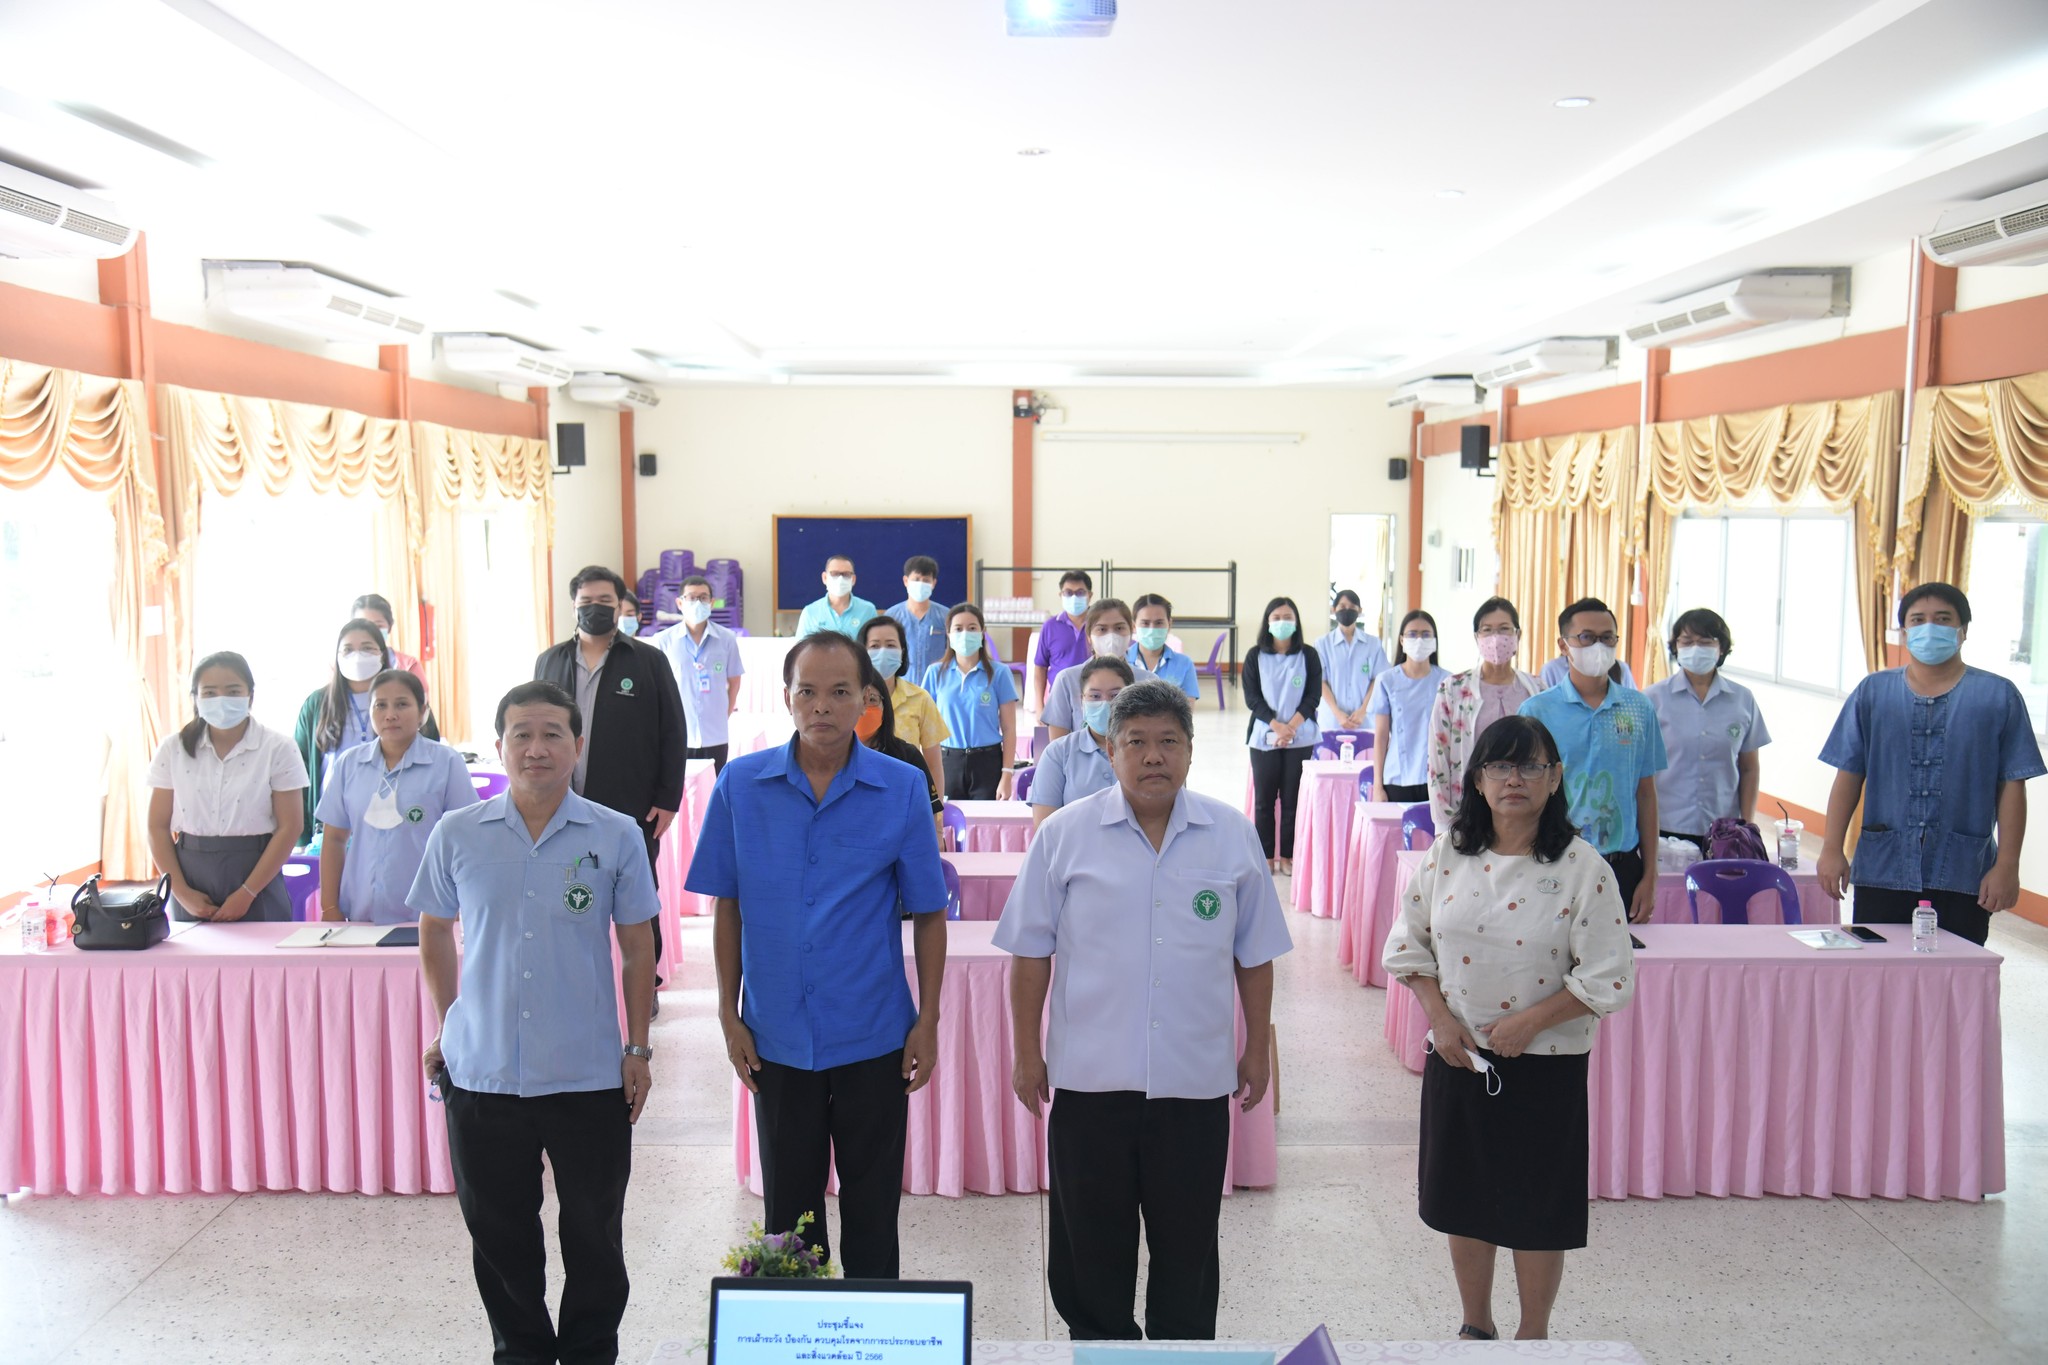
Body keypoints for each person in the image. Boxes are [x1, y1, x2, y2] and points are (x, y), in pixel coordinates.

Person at [997, 679, 1291, 1341]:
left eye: (1168, 742)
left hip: (1193, 1080)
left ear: (1190, 750)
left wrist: (1255, 1048)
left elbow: (1256, 955)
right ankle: (1100, 1349)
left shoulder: (1231, 835)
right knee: (1089, 1249)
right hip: (1089, 1080)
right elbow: (1029, 952)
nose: (1153, 756)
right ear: (1109, 747)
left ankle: (1180, 1353)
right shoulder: (1065, 835)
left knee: (1187, 1247)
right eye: (1137, 742)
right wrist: (1025, 1050)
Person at [687, 631, 950, 1277]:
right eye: (808, 691)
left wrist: (929, 1018)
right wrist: (727, 1010)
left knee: (872, 1208)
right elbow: (728, 905)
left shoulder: (902, 785)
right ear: (786, 698)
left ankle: (872, 1335)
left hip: (874, 1032)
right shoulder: (742, 785)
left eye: (839, 692)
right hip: (776, 1033)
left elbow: (930, 911)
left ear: (867, 698)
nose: (822, 706)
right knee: (789, 1217)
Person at [410, 680, 658, 1365]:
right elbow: (434, 930)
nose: (537, 747)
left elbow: (639, 947)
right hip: (482, 1072)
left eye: (553, 733)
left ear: (578, 745)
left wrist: (638, 1046)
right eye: (522, 733)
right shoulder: (458, 832)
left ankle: (586, 1353)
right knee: (500, 1239)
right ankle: (519, 1353)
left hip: (586, 1073)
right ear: (499, 747)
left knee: (595, 1237)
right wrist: (448, 1020)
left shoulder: (615, 833)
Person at [1383, 715, 1635, 1344]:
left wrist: (1531, 1022)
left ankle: (1533, 1337)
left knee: (1536, 1206)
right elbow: (1409, 948)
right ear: (1477, 780)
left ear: (1555, 778)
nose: (1513, 779)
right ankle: (1475, 1324)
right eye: (1499, 765)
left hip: (1545, 1065)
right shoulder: (1447, 855)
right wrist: (1439, 1019)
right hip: (1459, 1055)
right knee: (1462, 1197)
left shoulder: (1584, 868)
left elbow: (1608, 974)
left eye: (1530, 766)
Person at [1817, 582, 2042, 945]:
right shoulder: (1873, 693)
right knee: (1880, 973)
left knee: (1955, 977)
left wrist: (2008, 866)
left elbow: (2012, 785)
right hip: (1883, 867)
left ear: (1963, 631)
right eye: (1918, 620)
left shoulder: (1998, 696)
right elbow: (1849, 774)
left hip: (1964, 869)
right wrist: (1831, 848)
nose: (1929, 628)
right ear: (1905, 632)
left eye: (1942, 619)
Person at [536, 565, 689, 991]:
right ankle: (571, 979)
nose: (595, 609)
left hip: (631, 803)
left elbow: (673, 731)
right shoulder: (550, 660)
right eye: (586, 602)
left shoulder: (647, 660)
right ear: (574, 606)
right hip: (559, 804)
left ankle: (644, 985)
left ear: (619, 606)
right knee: (566, 890)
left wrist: (667, 798)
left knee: (637, 897)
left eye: (604, 602)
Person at [1518, 598, 1667, 923]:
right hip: (1552, 860)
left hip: (1620, 864)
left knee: (1618, 964)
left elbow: (1646, 793)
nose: (1598, 646)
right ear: (1564, 645)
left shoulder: (1638, 708)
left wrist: (1650, 874)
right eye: (1586, 637)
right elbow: (1521, 795)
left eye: (1607, 637)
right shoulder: (1537, 711)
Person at [147, 651, 309, 922]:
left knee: (263, 962)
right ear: (196, 698)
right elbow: (156, 826)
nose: (221, 700)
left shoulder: (279, 748)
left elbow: (291, 826)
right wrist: (181, 892)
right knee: (192, 963)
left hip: (258, 872)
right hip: (189, 873)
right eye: (209, 693)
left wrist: (247, 892)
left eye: (233, 691)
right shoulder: (172, 748)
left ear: (250, 695)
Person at [314, 670, 479, 923]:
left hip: (428, 918)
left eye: (402, 704)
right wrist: (329, 908)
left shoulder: (446, 763)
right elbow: (334, 839)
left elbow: (466, 840)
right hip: (360, 915)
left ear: (423, 711)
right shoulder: (350, 764)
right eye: (380, 705)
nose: (390, 715)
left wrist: (459, 909)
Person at [295, 618, 441, 847]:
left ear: (382, 655)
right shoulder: (317, 704)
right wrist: (301, 838)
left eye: (367, 648)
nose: (357, 655)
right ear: (337, 657)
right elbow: (299, 771)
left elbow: (434, 758)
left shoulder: (411, 698)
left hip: (401, 825)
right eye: (348, 649)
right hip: (330, 828)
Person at [1646, 608, 1770, 850]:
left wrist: (1747, 822)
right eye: (1687, 641)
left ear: (1721, 648)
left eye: (1705, 642)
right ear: (1676, 647)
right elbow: (1641, 769)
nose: (1695, 648)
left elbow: (1749, 767)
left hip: (1725, 827)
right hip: (1665, 824)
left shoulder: (1742, 699)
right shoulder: (1653, 698)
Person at [1426, 597, 1543, 831]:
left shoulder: (1537, 689)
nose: (1496, 638)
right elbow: (1438, 758)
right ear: (1477, 638)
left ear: (1517, 636)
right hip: (1469, 809)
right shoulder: (1454, 689)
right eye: (1487, 630)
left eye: (1504, 629)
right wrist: (1444, 823)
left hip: (1524, 812)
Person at [1242, 596, 1323, 875]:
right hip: (1264, 736)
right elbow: (1252, 698)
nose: (1282, 623)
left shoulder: (1309, 655)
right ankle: (1265, 855)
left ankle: (1288, 855)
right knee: (1264, 801)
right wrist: (1278, 726)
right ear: (1267, 622)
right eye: (1276, 618)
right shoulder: (1255, 656)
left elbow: (1313, 696)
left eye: (1287, 617)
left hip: (1301, 737)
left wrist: (1293, 727)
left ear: (1296, 622)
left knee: (1292, 799)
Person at [920, 602, 1020, 800]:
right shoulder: (934, 673)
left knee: (985, 826)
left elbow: (1009, 728)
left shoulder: (999, 673)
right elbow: (923, 725)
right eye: (958, 628)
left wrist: (1006, 775)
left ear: (982, 632)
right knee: (946, 824)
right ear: (948, 634)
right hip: (946, 761)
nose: (965, 633)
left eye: (972, 628)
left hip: (987, 762)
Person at [657, 575, 745, 771]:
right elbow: (657, 688)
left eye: (703, 597)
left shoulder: (727, 639)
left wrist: (725, 713)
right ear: (679, 603)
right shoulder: (663, 641)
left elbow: (735, 681)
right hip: (679, 732)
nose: (697, 602)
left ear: (712, 603)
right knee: (679, 791)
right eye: (691, 597)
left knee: (715, 787)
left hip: (716, 732)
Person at [1030, 656, 1131, 828]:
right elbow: (1045, 829)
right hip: (1073, 853)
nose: (1105, 703)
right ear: (1082, 700)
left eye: (1115, 695)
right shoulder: (1058, 753)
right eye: (1095, 696)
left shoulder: (1148, 751)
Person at [1369, 610, 1452, 806]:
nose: (1419, 640)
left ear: (1434, 641)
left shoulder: (1447, 681)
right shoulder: (1386, 680)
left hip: (1437, 777)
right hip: (1397, 777)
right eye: (1412, 634)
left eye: (1426, 634)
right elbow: (1381, 737)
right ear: (1401, 640)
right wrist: (1378, 786)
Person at [1043, 599, 1155, 741]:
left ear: (1131, 631)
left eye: (1119, 628)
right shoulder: (1067, 680)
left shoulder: (1148, 682)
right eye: (1102, 629)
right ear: (1089, 636)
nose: (1111, 637)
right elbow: (1057, 746)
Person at [859, 615, 947, 794]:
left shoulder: (920, 698)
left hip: (905, 795)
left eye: (891, 645)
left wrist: (935, 814)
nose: (883, 651)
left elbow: (933, 765)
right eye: (875, 646)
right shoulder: (848, 698)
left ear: (903, 651)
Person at [859, 668, 946, 833]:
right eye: (859, 699)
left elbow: (928, 815)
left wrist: (938, 833)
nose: (865, 708)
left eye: (872, 699)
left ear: (885, 707)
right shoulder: (834, 758)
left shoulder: (907, 756)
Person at [1315, 589, 1390, 732]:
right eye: (1342, 607)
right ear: (1334, 609)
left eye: (1352, 607)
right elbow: (1320, 681)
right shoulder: (1322, 644)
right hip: (1331, 721)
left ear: (1360, 610)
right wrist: (1337, 713)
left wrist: (1363, 710)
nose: (1347, 610)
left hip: (1365, 722)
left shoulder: (1373, 644)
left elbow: (1378, 679)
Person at [1031, 569, 1095, 713]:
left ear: (1089, 595)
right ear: (1061, 595)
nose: (1074, 597)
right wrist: (1039, 706)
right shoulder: (1050, 626)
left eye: (1080, 592)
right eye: (1068, 593)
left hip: (1096, 699)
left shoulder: (1099, 625)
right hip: (1060, 699)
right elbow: (1040, 667)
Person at [884, 554, 952, 685]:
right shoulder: (892, 616)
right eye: (916, 579)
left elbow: (953, 652)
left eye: (926, 580)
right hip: (902, 685)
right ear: (906, 581)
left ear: (933, 583)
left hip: (937, 685)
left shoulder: (945, 616)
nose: (920, 584)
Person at [1128, 594, 1202, 700]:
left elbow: (1187, 710)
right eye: (1145, 623)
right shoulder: (1122, 661)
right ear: (1134, 626)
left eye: (1159, 623)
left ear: (1169, 624)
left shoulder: (1184, 664)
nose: (1152, 629)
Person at [351, 592, 428, 692]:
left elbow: (422, 704)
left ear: (389, 627)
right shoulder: (341, 668)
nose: (370, 632)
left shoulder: (409, 666)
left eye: (378, 626)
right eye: (363, 626)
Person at [794, 554, 876, 638]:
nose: (840, 579)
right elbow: (801, 648)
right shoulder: (810, 612)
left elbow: (872, 646)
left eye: (846, 574)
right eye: (834, 574)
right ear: (825, 577)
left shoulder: (868, 610)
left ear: (853, 579)